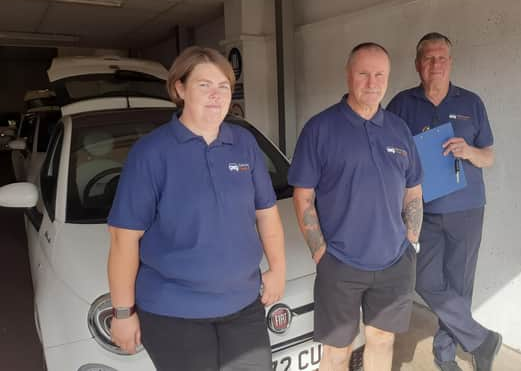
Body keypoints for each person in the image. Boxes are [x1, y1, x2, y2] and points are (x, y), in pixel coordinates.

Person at [107, 46, 286, 371]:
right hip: (174, 313)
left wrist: (278, 267)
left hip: (243, 304)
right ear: (180, 88)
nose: (216, 96)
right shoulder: (151, 152)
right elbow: (124, 240)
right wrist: (123, 312)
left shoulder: (242, 143)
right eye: (204, 85)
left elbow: (267, 212)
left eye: (224, 87)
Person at [288, 43, 424, 371]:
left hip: (393, 261)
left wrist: (411, 240)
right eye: (363, 73)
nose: (372, 82)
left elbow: (413, 188)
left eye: (380, 75)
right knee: (337, 350)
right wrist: (321, 252)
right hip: (341, 264)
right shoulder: (320, 129)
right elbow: (303, 194)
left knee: (381, 340)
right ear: (348, 76)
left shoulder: (398, 129)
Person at [386, 32, 500, 371]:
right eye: (429, 58)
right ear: (418, 64)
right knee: (424, 281)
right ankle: (481, 340)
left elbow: (489, 157)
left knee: (460, 283)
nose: (436, 64)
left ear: (450, 63)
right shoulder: (401, 105)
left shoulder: (471, 103)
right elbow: (389, 155)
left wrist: (470, 151)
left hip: (467, 209)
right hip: (424, 211)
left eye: (442, 58)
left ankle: (445, 353)